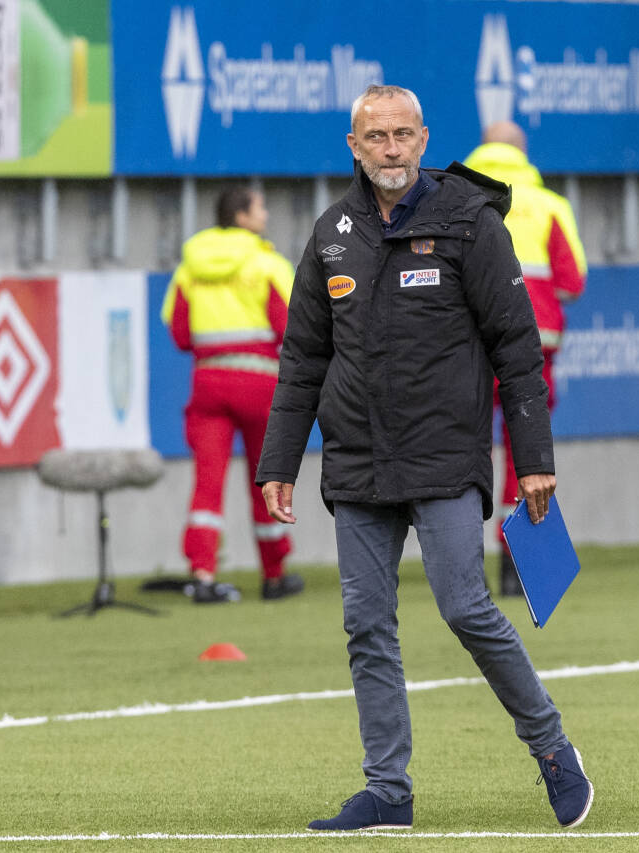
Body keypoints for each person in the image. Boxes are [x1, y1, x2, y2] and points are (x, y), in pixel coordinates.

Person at [256, 85, 593, 831]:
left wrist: (532, 456)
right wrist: (279, 462)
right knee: (366, 623)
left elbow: (517, 347)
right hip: (356, 462)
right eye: (376, 136)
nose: (391, 148)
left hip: (445, 452)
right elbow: (303, 356)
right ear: (353, 145)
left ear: (423, 136)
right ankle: (387, 790)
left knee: (465, 606)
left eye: (404, 134)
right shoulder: (333, 232)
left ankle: (551, 747)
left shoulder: (471, 223)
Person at [161, 186, 305, 604]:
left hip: (208, 385)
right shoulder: (266, 263)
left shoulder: (189, 268)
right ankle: (274, 574)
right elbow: (291, 328)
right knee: (268, 480)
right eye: (260, 207)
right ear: (242, 216)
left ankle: (203, 574)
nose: (265, 214)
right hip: (260, 385)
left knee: (207, 484)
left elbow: (181, 334)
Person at [464, 121, 587, 596]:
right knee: (527, 461)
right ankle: (519, 570)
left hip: (470, 346)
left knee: (462, 455)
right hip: (532, 350)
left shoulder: (455, 201)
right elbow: (572, 283)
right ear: (523, 153)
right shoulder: (549, 205)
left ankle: (461, 565)